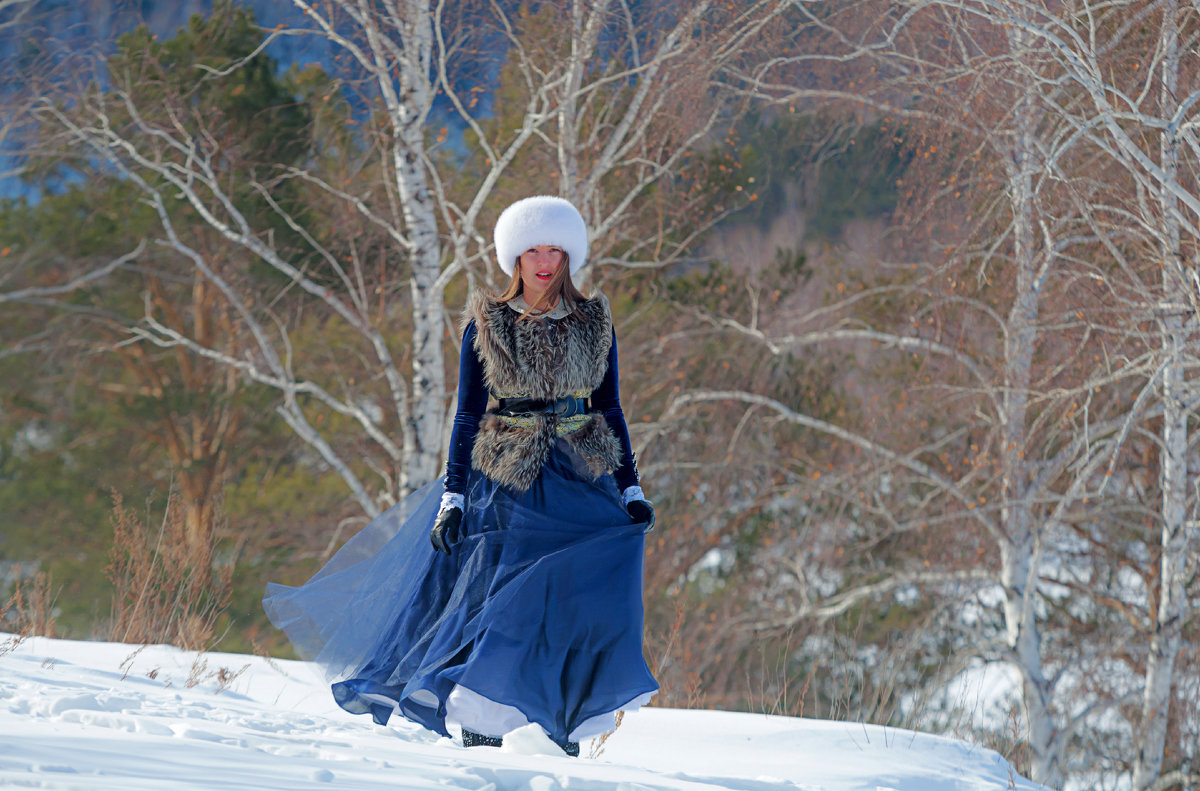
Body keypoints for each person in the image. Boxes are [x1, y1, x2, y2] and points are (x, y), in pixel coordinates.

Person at [263, 195, 659, 758]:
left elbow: (610, 407)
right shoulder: (487, 324)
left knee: (578, 598)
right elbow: (468, 413)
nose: (545, 260)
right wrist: (453, 495)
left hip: (580, 473)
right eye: (532, 249)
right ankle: (483, 717)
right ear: (513, 258)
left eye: (555, 249)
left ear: (570, 255)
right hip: (508, 479)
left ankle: (554, 722)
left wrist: (631, 487)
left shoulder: (594, 322)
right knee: (501, 600)